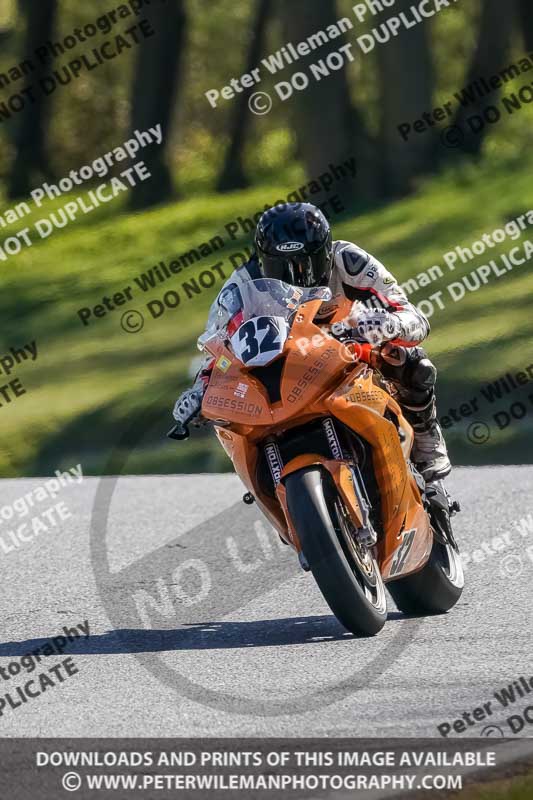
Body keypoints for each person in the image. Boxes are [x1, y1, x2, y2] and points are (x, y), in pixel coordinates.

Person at [173, 203, 450, 483]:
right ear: (261, 260)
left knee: (409, 359)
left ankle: (426, 437)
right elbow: (218, 352)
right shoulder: (240, 288)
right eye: (281, 267)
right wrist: (200, 390)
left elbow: (412, 314)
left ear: (327, 252)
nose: (297, 276)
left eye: (307, 262)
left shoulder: (350, 260)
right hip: (284, 359)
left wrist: (391, 324)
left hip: (346, 339)